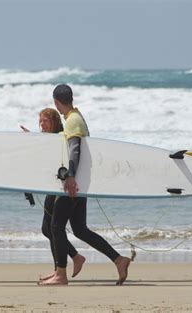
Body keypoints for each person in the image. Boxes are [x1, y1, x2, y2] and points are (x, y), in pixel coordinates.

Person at [39, 84, 131, 286]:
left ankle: (61, 275)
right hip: (80, 182)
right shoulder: (77, 117)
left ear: (56, 102)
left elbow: (75, 150)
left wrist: (70, 177)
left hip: (73, 184)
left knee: (55, 226)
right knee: (79, 229)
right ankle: (119, 260)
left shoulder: (73, 121)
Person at [20, 108, 86, 281]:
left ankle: (64, 267)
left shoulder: (60, 137)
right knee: (48, 228)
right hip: (53, 186)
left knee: (53, 228)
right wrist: (33, 138)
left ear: (55, 121)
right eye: (40, 121)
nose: (42, 124)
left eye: (46, 121)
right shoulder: (49, 138)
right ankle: (65, 264)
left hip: (61, 187)